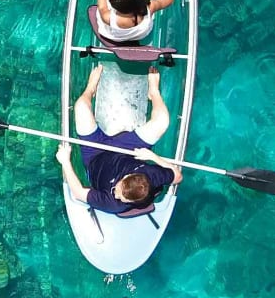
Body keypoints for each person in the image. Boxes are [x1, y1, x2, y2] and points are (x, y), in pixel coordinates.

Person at [54, 64, 183, 214]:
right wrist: (152, 156)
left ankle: (90, 88)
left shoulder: (113, 204)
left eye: (121, 197)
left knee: (81, 107)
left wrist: (65, 161)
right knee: (162, 121)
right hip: (126, 150)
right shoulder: (151, 176)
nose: (116, 193)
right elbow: (178, 177)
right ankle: (153, 93)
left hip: (94, 156)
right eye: (119, 189)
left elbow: (78, 192)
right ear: (129, 176)